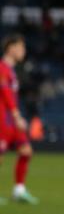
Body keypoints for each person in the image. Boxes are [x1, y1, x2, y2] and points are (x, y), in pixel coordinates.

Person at [0, 34, 37, 205]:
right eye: (21, 47)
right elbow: (6, 94)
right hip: (4, 119)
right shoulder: (2, 68)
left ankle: (19, 190)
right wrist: (16, 115)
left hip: (12, 119)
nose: (24, 51)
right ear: (11, 48)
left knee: (26, 151)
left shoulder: (11, 71)